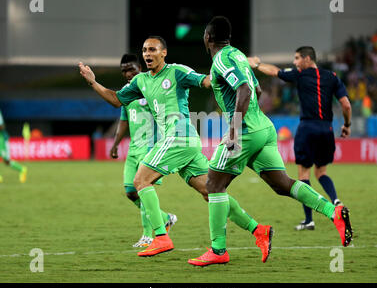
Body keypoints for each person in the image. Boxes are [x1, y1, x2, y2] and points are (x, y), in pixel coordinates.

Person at [79, 36, 269, 260]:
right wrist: (93, 82)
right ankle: (259, 231)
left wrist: (233, 67)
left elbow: (207, 81)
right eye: (144, 50)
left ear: (164, 53)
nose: (147, 54)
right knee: (211, 193)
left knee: (140, 181)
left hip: (179, 137)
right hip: (182, 143)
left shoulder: (177, 72)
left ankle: (161, 236)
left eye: (152, 50)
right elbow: (116, 99)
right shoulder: (141, 81)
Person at [188, 16, 353, 267]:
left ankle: (218, 251)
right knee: (282, 183)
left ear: (207, 37)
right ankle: (334, 212)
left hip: (244, 131)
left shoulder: (221, 60)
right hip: (263, 127)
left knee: (213, 184)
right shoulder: (240, 56)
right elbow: (257, 90)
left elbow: (244, 89)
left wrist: (233, 129)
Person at [248, 46, 352, 231]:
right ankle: (336, 201)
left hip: (307, 128)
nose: (295, 63)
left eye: (297, 58)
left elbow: (274, 71)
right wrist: (347, 125)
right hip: (327, 130)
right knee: (321, 172)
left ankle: (309, 220)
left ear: (307, 58)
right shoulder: (332, 77)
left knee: (303, 175)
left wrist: (256, 64)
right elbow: (346, 105)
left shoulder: (300, 75)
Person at [110, 53, 176, 248]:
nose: (128, 74)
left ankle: (149, 235)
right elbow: (124, 119)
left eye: (131, 69)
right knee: (131, 192)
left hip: (151, 146)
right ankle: (164, 217)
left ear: (140, 67)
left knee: (142, 188)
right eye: (124, 71)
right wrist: (115, 144)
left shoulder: (150, 87)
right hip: (134, 147)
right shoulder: (127, 91)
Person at [0, 109, 27, 183]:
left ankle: (22, 169)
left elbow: (2, 126)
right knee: (6, 161)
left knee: (6, 160)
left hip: (2, 139)